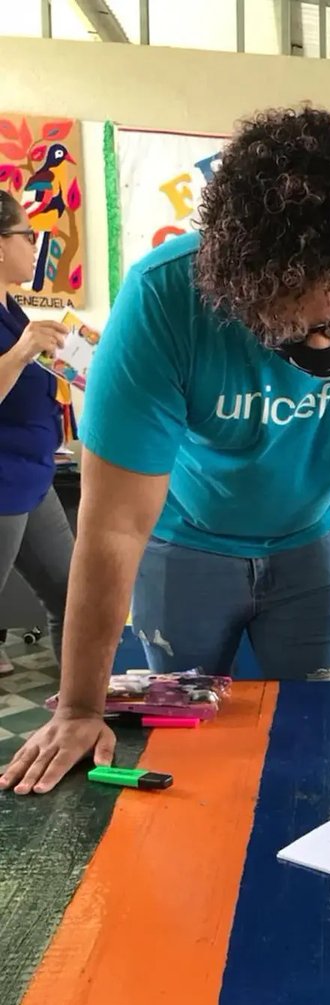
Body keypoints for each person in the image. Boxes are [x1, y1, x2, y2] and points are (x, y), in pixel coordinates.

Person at [1, 107, 330, 797]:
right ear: (240, 294)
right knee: (176, 756)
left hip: (312, 543)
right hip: (183, 541)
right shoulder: (164, 298)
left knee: (318, 745)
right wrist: (78, 706)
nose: (323, 347)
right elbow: (113, 526)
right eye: (294, 328)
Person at [0, 191, 73, 668]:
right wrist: (24, 351)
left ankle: (78, 711)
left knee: (73, 596)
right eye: (28, 235)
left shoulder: (13, 308)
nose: (35, 244)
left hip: (34, 476)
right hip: (3, 485)